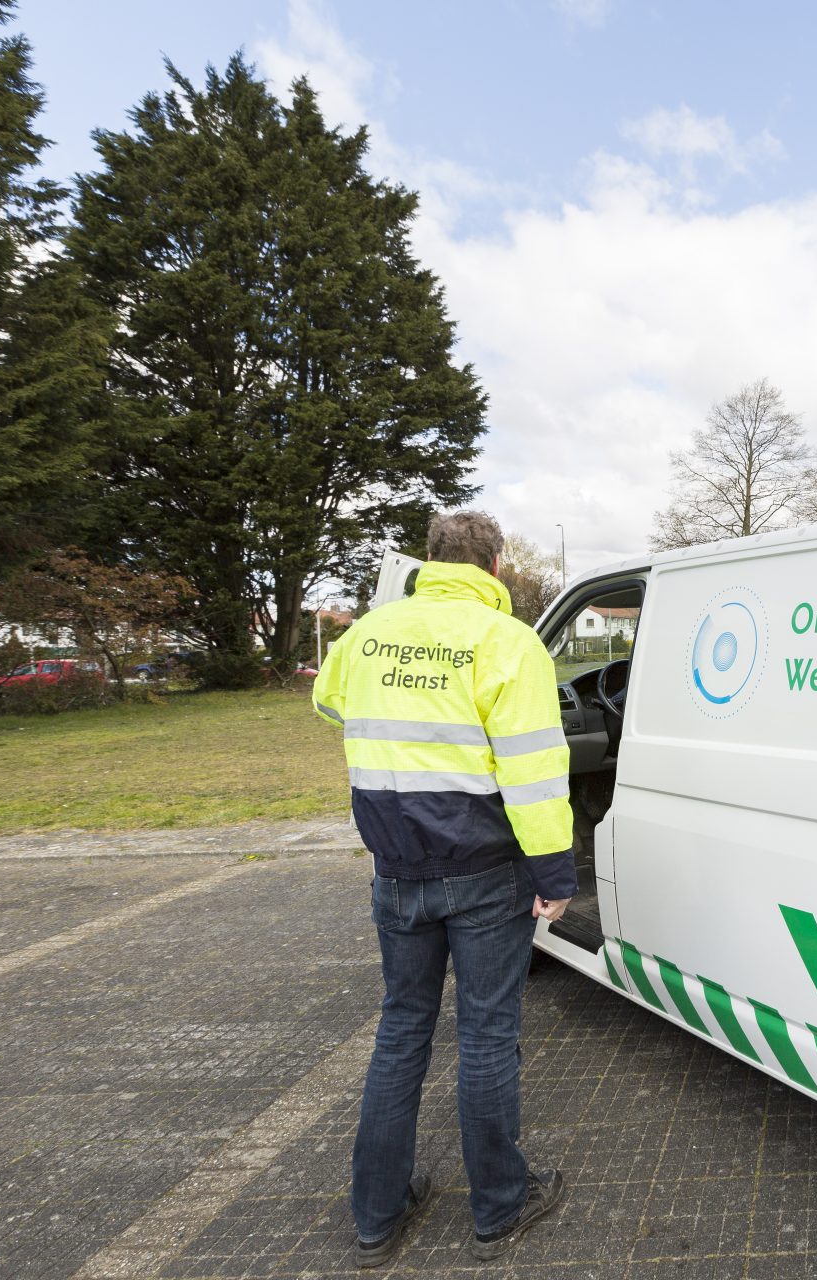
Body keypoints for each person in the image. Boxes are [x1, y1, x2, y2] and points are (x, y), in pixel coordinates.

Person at [312, 509, 575, 1268]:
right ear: (493, 567)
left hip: (397, 868)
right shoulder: (507, 643)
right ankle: (499, 1208)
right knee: (487, 1037)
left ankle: (377, 1215)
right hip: (486, 873)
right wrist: (555, 876)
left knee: (401, 1033)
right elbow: (532, 772)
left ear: (428, 562)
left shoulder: (366, 633)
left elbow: (328, 703)